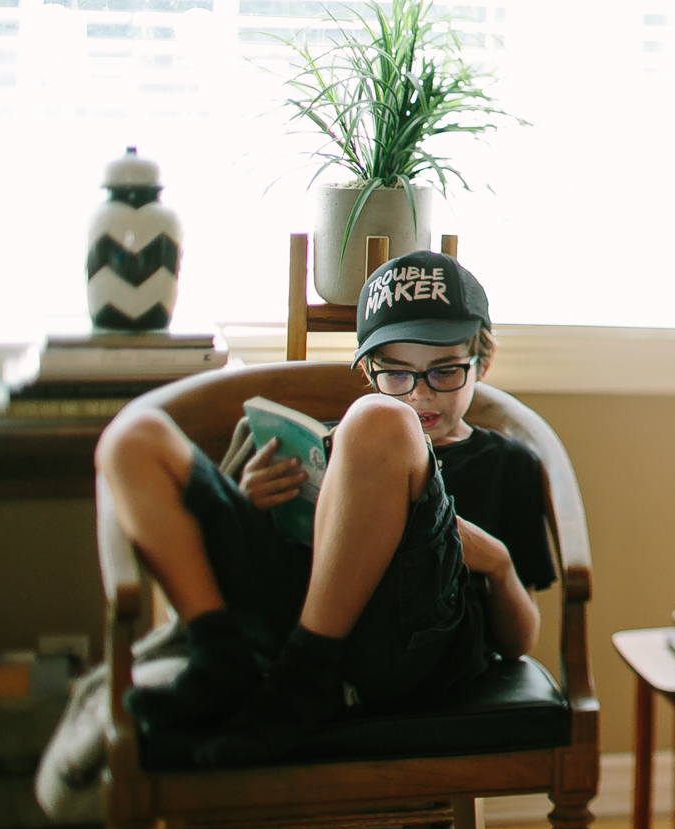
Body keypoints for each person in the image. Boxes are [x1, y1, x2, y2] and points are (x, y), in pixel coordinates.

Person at [94, 250, 556, 767]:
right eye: (396, 374)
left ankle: (302, 682)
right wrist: (250, 506)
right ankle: (220, 656)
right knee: (132, 438)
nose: (421, 395)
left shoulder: (503, 461)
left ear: (482, 363)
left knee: (380, 423)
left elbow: (520, 642)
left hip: (408, 643)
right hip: (298, 607)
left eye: (445, 372)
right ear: (367, 369)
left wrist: (495, 559)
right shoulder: (348, 444)